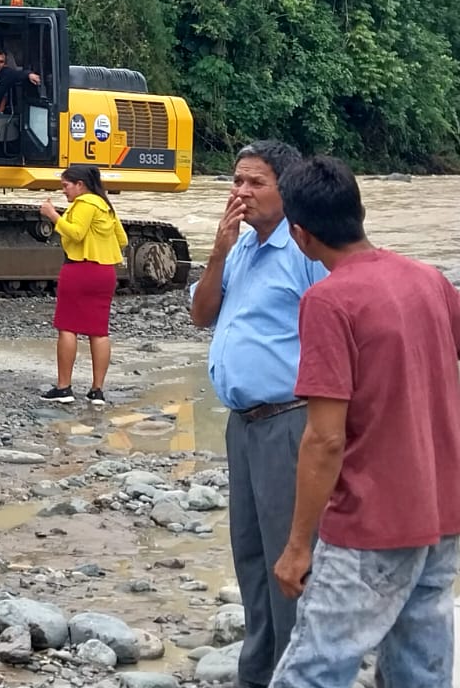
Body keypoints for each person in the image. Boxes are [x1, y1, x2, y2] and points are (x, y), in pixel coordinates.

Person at [268, 156, 460, 688]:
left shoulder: (328, 301)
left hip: (371, 521)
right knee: (421, 669)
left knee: (314, 668)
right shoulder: (429, 280)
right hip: (442, 512)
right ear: (361, 211)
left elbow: (325, 439)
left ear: (300, 235)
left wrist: (298, 546)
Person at [189, 139, 328, 688]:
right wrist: (218, 252)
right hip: (243, 425)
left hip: (289, 421)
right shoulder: (242, 246)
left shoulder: (306, 253)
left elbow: (340, 332)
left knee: (291, 557)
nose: (241, 192)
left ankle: (299, 672)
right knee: (250, 552)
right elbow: (202, 315)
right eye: (236, 181)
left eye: (255, 183)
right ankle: (259, 670)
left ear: (285, 190)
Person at [38, 163, 128, 405]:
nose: (64, 191)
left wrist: (52, 214)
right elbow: (122, 239)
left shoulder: (84, 203)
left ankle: (64, 388)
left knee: (68, 327)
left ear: (80, 184)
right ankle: (97, 391)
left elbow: (76, 233)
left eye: (66, 185)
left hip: (79, 269)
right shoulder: (105, 204)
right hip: (105, 272)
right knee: (99, 330)